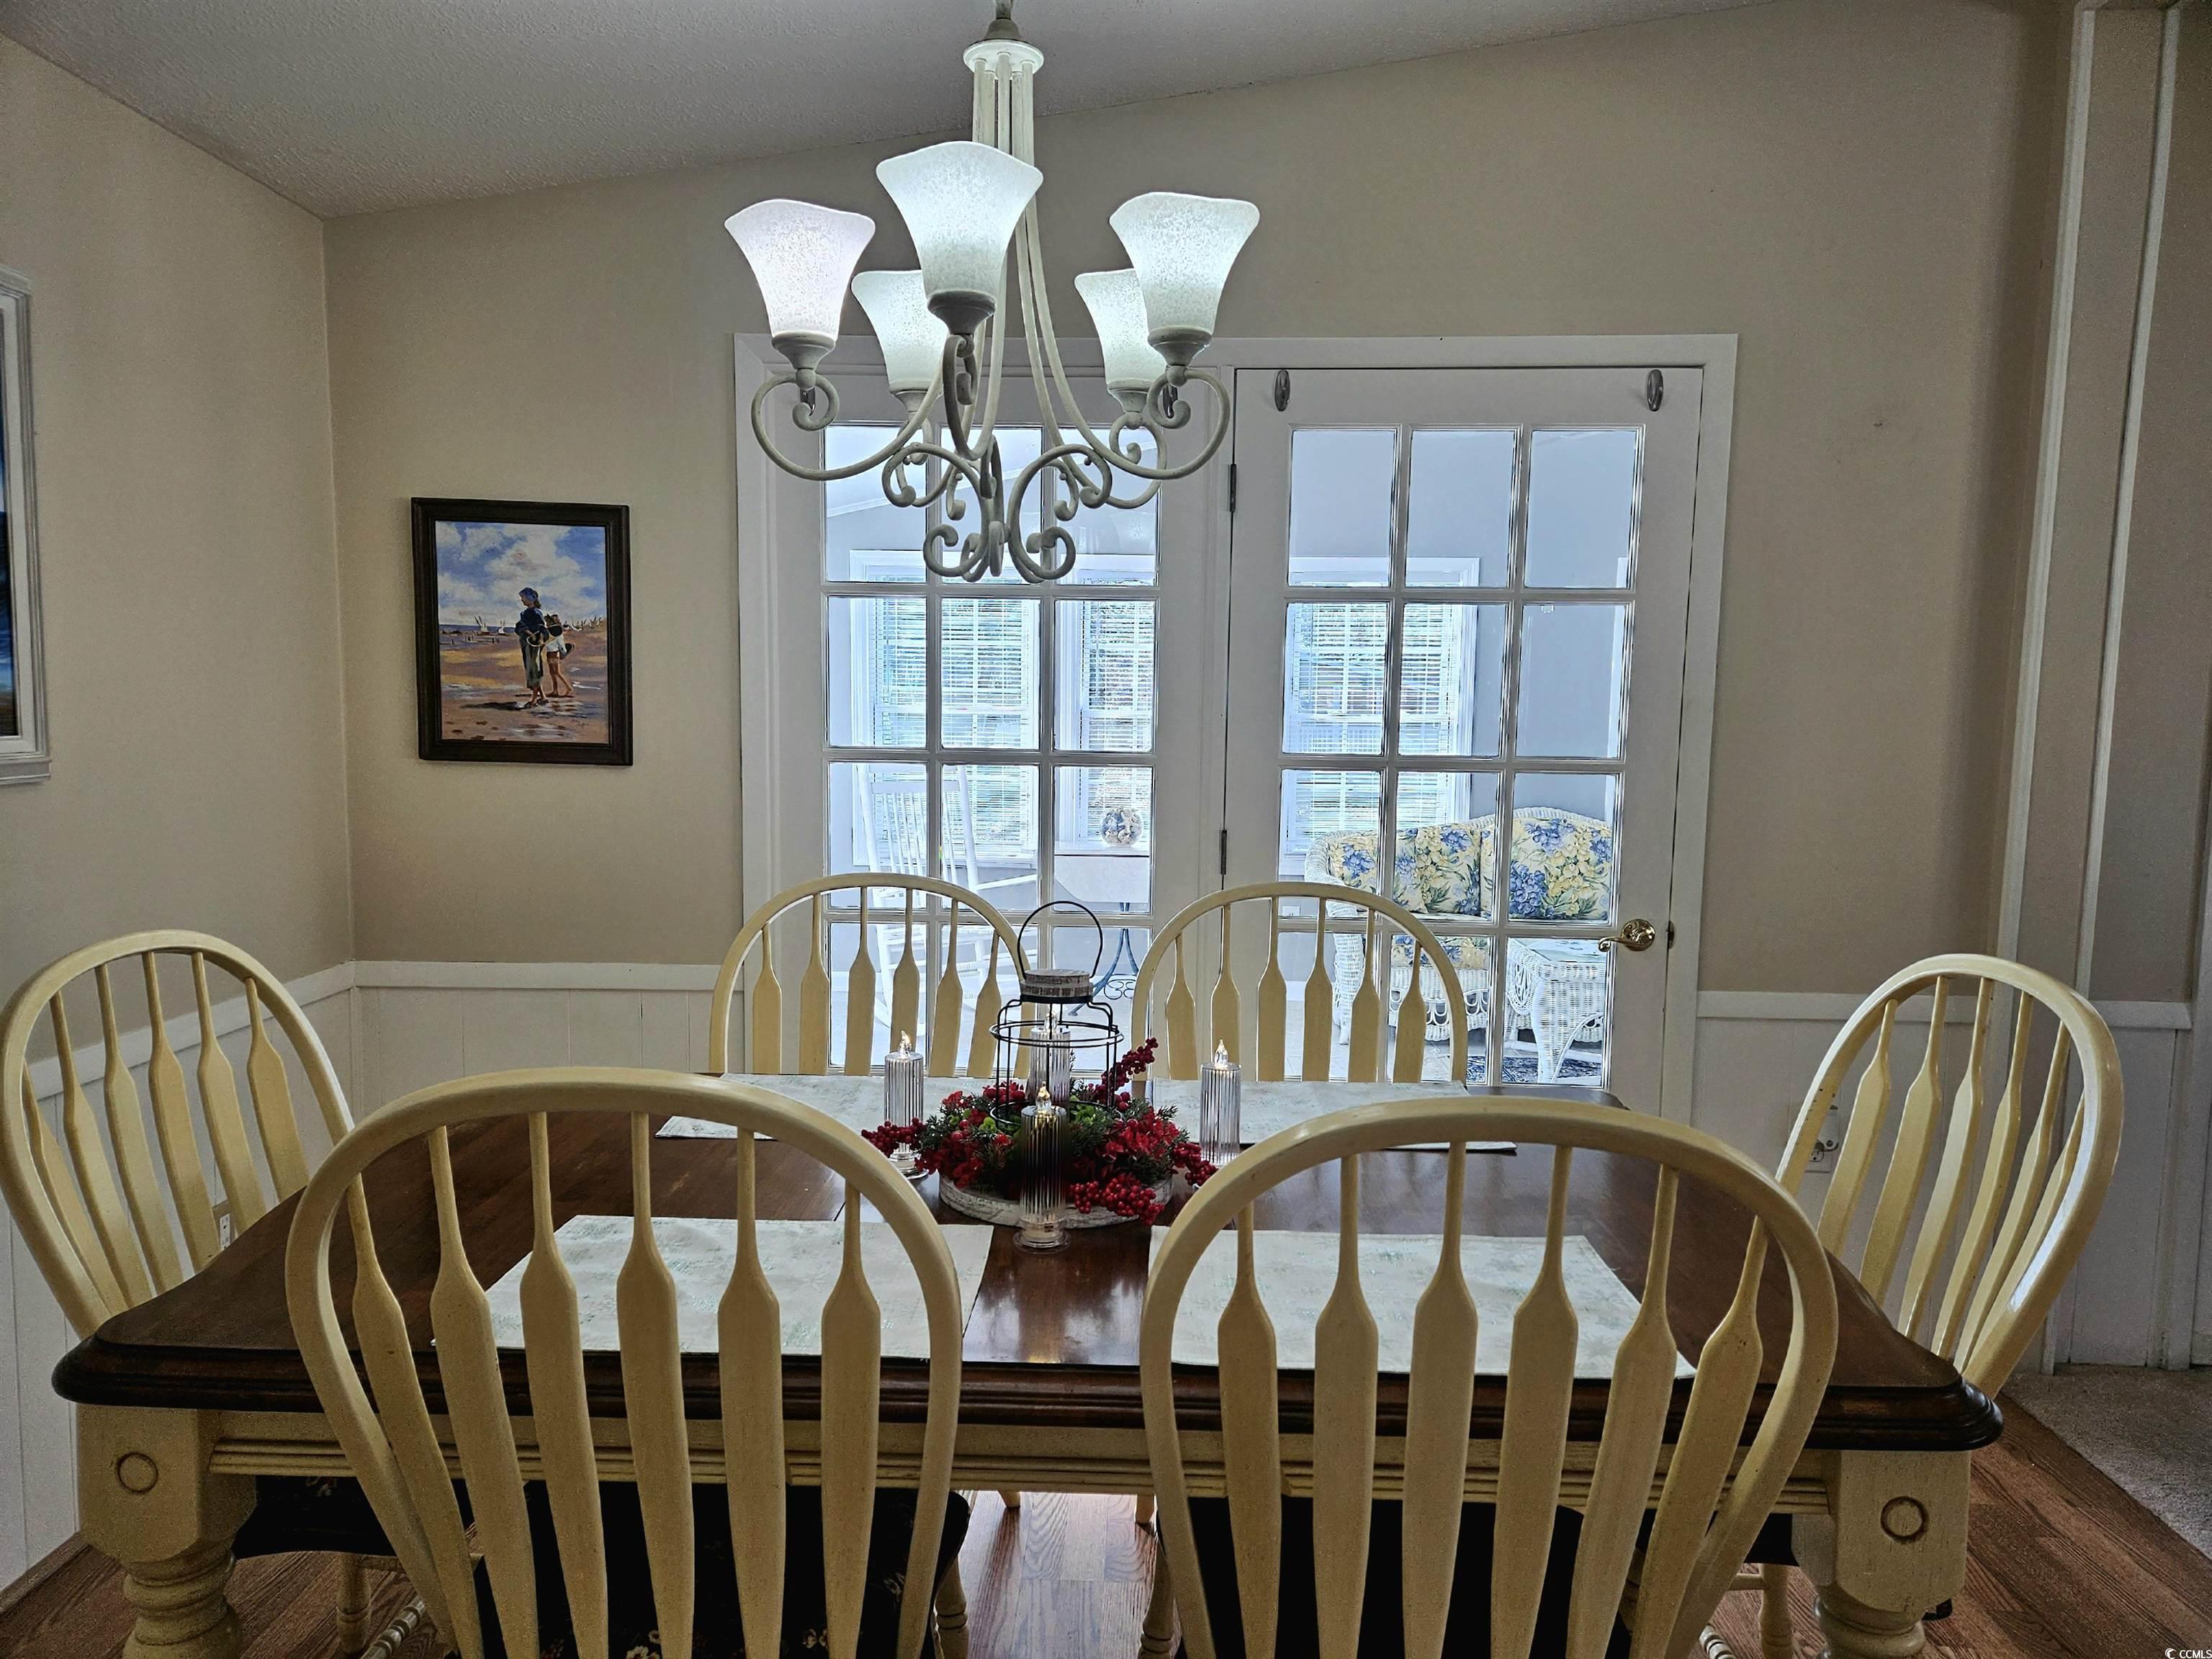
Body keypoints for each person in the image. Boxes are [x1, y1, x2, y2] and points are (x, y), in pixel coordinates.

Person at [515, 588, 549, 706]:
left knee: (534, 669)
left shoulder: (536, 612)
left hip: (534, 645)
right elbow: (520, 627)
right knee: (531, 668)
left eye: (523, 597)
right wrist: (529, 633)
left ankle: (534, 699)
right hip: (526, 643)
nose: (522, 600)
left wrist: (539, 639)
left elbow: (541, 627)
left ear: (531, 598)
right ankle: (543, 697)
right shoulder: (524, 613)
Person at [544, 612, 575, 698]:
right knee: (552, 673)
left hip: (555, 654)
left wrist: (564, 653)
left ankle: (569, 688)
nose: (547, 623)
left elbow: (562, 647)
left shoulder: (559, 635)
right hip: (549, 654)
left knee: (557, 672)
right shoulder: (549, 633)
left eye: (549, 622)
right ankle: (555, 691)